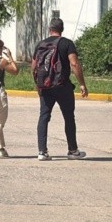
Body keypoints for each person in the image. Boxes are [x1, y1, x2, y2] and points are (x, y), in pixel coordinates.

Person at [32, 18, 88, 161]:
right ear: (62, 29)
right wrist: (82, 84)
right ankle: (72, 150)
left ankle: (42, 152)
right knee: (69, 117)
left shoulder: (40, 44)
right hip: (63, 86)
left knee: (44, 116)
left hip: (45, 87)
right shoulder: (67, 43)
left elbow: (34, 67)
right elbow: (74, 64)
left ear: (50, 29)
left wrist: (38, 84)